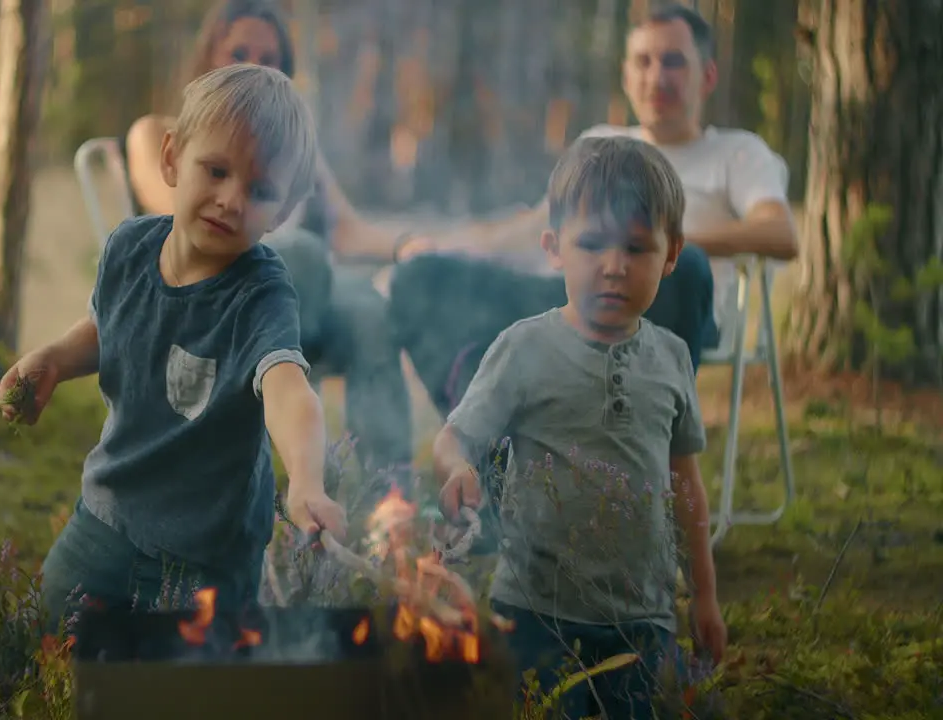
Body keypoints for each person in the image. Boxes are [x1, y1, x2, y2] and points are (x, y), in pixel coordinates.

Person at [0, 64, 348, 629]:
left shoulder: (260, 293)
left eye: (259, 191)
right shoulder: (129, 247)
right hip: (108, 515)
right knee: (53, 639)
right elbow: (109, 326)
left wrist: (306, 479)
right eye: (216, 170)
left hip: (208, 556)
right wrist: (57, 360)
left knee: (189, 685)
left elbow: (288, 387)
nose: (231, 200)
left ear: (282, 211)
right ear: (171, 159)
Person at [432, 135, 727, 717]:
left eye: (637, 248)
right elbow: (454, 437)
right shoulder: (524, 348)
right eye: (591, 244)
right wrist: (457, 467)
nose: (613, 266)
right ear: (554, 247)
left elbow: (686, 485)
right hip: (537, 612)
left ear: (672, 255)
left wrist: (706, 596)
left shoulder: (670, 358)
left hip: (642, 618)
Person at [390, 3, 798, 418]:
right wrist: (444, 246)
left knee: (687, 265)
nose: (657, 77)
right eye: (644, 61)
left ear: (708, 75)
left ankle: (645, 457)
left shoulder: (736, 153)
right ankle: (492, 457)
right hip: (563, 297)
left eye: (673, 62)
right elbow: (534, 227)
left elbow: (780, 233)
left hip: (663, 300)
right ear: (626, 75)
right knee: (416, 276)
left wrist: (654, 248)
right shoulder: (600, 143)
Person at [123, 0, 417, 483]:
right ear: (208, 56)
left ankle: (390, 503)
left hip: (298, 299)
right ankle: (298, 448)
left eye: (269, 58)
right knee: (299, 250)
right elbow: (177, 217)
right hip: (214, 296)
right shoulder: (160, 131)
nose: (252, 67)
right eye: (238, 51)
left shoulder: (292, 152)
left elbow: (346, 229)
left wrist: (406, 245)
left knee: (367, 308)